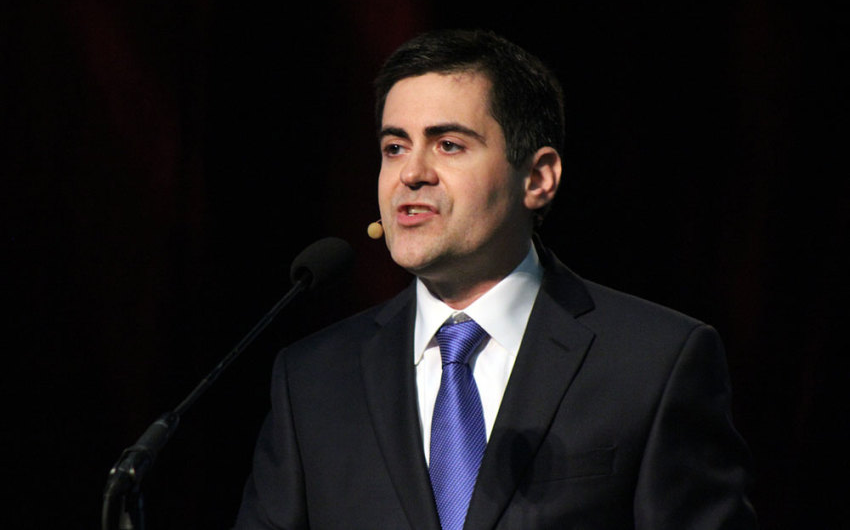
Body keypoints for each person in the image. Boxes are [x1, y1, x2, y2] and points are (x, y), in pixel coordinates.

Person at [234, 29, 756, 529]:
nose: (411, 173)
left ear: (537, 178)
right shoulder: (312, 380)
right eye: (394, 147)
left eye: (449, 145)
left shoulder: (654, 362)